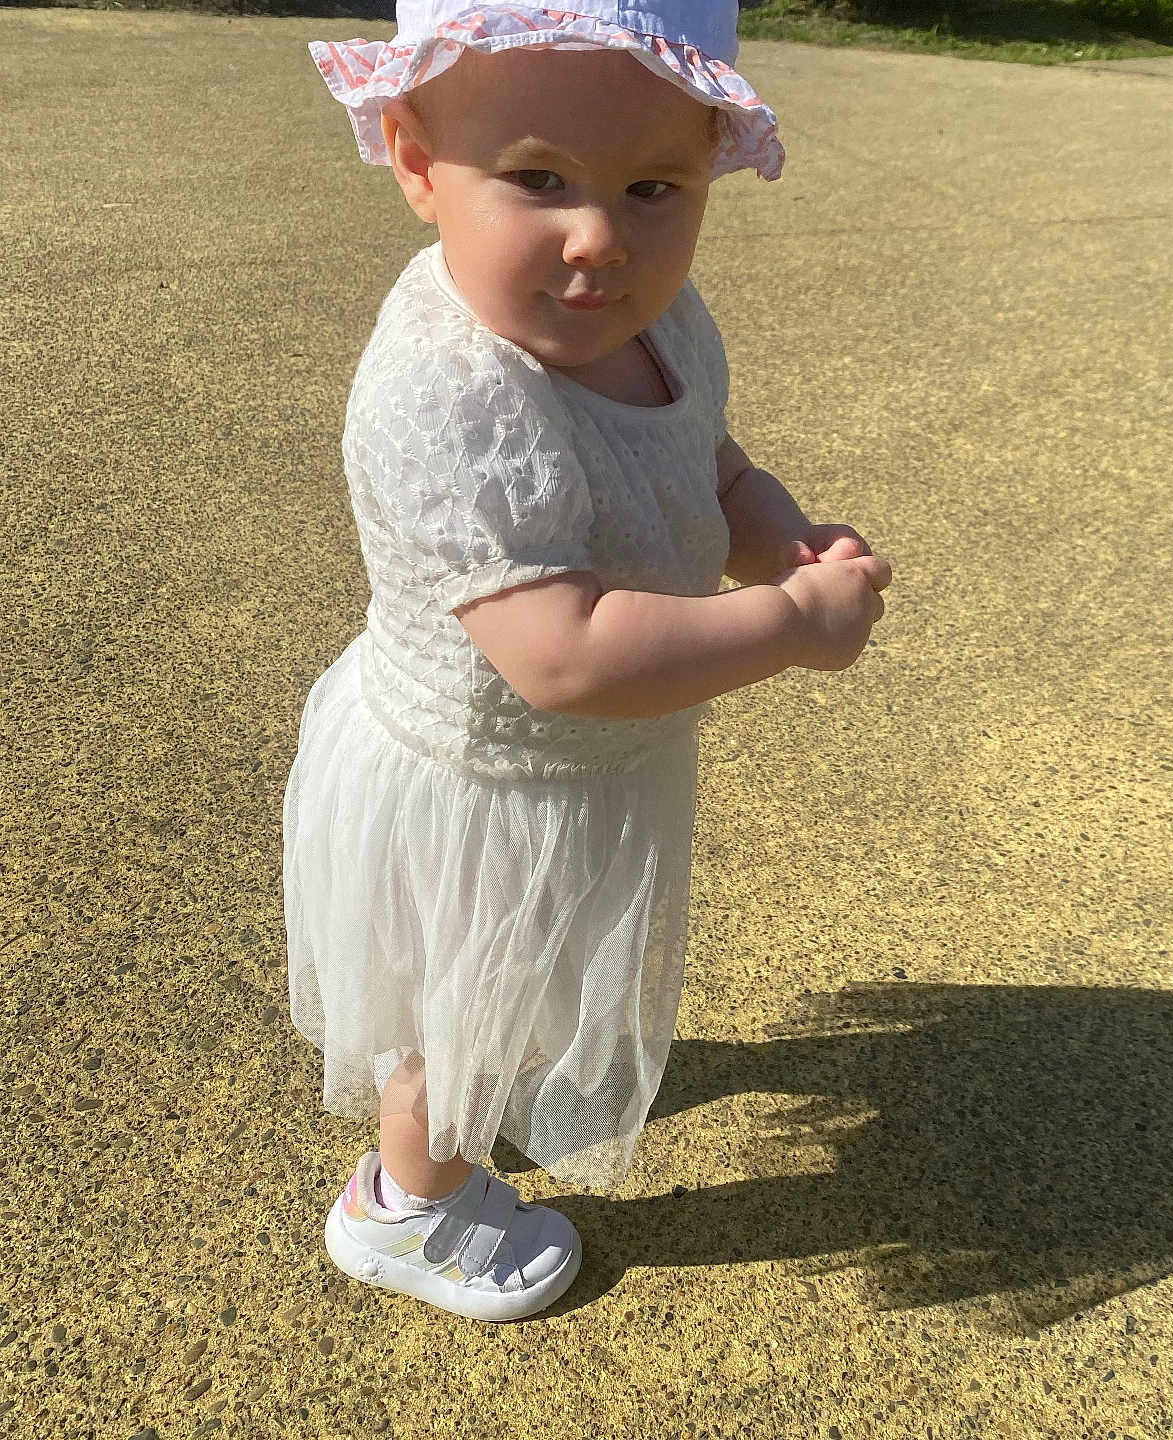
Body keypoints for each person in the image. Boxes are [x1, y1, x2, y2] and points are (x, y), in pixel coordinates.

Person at [285, 0, 892, 1322]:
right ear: (414, 160)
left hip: (585, 769)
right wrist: (790, 629)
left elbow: (704, 461)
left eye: (653, 186)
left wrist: (778, 538)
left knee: (536, 977)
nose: (601, 235)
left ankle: (449, 1139)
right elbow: (560, 655)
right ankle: (406, 1208)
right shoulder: (447, 392)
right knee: (463, 1015)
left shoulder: (657, 324)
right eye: (540, 178)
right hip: (482, 784)